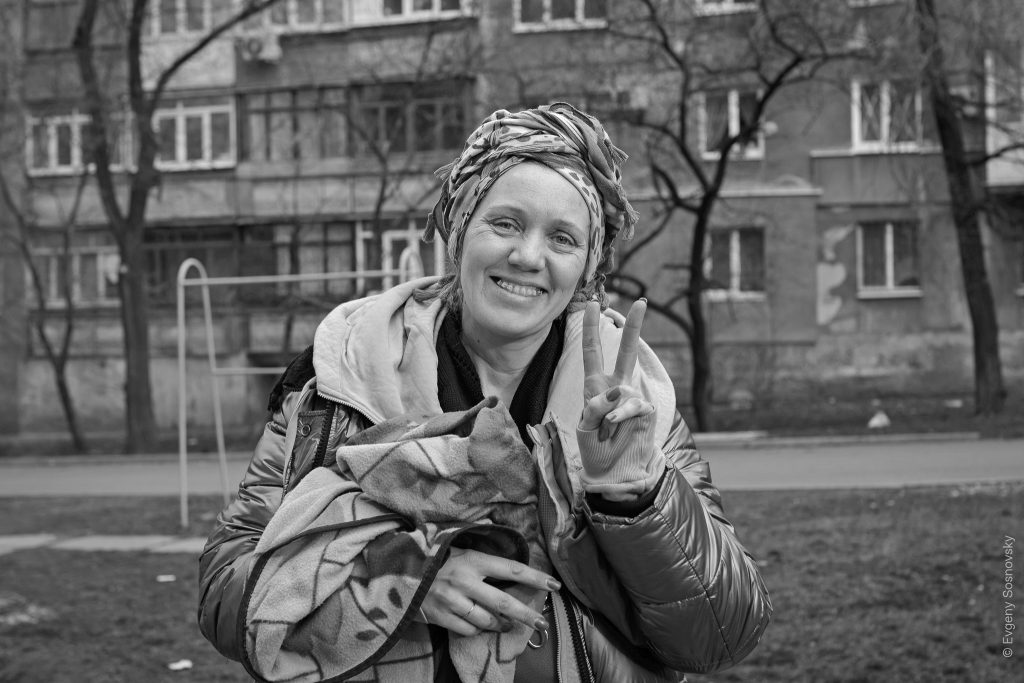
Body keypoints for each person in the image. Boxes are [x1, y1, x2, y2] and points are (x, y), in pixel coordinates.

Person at [198, 102, 771, 683]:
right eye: (505, 224)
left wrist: (634, 498)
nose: (528, 256)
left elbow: (721, 635)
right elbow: (226, 592)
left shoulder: (632, 406)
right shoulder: (340, 382)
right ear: (459, 230)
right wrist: (401, 582)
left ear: (587, 267)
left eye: (563, 238)